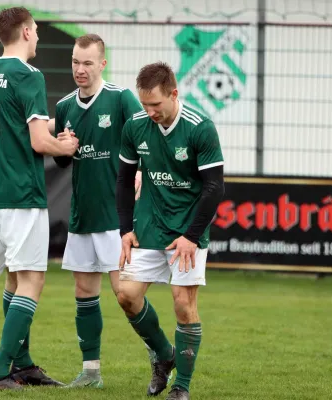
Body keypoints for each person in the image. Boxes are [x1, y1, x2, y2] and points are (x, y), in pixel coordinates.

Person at [0, 6, 78, 391]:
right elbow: (38, 141)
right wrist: (65, 147)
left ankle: (22, 364)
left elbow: (20, 124)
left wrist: (58, 128)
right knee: (33, 281)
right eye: (35, 30)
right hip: (23, 191)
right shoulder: (29, 75)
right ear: (24, 32)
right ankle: (1, 371)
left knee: (16, 278)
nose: (37, 36)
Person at [115, 61, 225, 400]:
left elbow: (214, 187)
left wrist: (191, 237)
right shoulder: (135, 126)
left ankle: (181, 387)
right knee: (127, 296)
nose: (149, 112)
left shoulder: (199, 127)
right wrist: (125, 230)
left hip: (188, 231)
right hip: (149, 225)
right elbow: (123, 179)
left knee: (183, 304)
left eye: (156, 105)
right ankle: (164, 356)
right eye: (145, 104)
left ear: (174, 94)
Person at [49, 33, 143, 388]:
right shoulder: (64, 107)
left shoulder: (120, 99)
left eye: (87, 63)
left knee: (127, 297)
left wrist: (143, 174)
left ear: (102, 63)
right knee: (84, 294)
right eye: (75, 61)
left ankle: (160, 352)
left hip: (115, 217)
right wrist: (63, 148)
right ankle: (91, 372)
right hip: (82, 215)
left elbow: (145, 137)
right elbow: (60, 163)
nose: (80, 69)